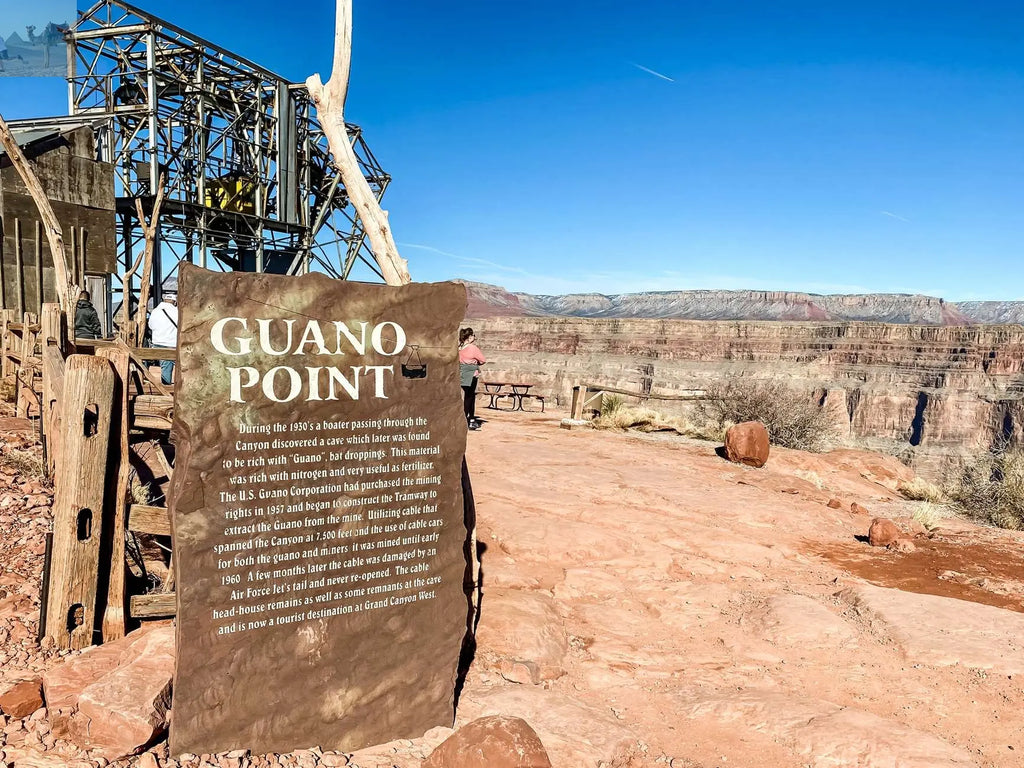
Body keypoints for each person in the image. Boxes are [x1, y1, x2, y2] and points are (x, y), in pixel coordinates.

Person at [459, 328, 486, 430]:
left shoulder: (460, 348)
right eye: (473, 335)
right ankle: (468, 420)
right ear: (469, 337)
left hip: (462, 374)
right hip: (472, 375)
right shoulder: (472, 348)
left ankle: (470, 419)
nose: (474, 337)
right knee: (470, 398)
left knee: (468, 396)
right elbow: (483, 360)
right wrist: (476, 363)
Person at [149, 291, 178, 385]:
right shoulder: (176, 311)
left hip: (157, 342)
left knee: (165, 367)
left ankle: (166, 388)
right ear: (175, 302)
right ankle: (170, 389)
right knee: (179, 366)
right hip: (172, 343)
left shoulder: (155, 311)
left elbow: (150, 326)